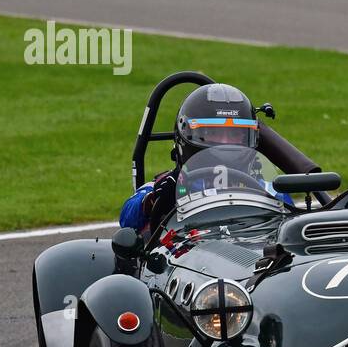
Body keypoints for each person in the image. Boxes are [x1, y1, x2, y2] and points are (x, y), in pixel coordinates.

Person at [119, 83, 287, 238]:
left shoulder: (269, 189)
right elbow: (127, 218)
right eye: (213, 133)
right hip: (189, 260)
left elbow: (288, 221)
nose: (225, 143)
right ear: (186, 134)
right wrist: (152, 201)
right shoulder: (166, 184)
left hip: (251, 258)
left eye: (235, 134)